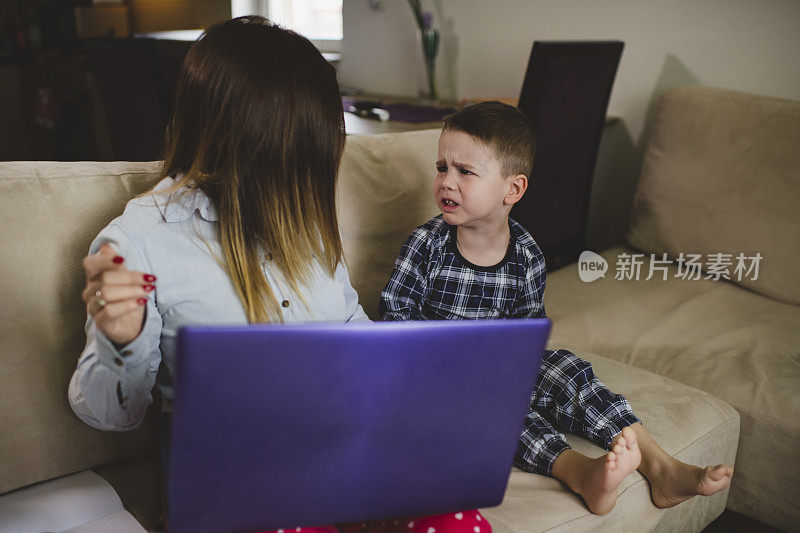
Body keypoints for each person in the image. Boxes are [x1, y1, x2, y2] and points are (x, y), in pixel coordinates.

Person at [68, 16, 490, 533]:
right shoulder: (138, 242)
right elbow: (110, 415)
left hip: (334, 454)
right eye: (303, 150)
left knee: (452, 505)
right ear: (251, 141)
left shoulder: (302, 220)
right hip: (229, 483)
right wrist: (123, 339)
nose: (313, 170)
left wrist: (410, 383)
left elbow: (350, 327)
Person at [378, 101, 734, 515]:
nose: (446, 182)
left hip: (499, 364)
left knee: (564, 367)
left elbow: (527, 332)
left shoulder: (526, 254)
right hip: (435, 373)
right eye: (442, 167)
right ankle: (579, 472)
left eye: (465, 172)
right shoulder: (426, 245)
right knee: (490, 409)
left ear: (512, 189)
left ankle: (661, 465)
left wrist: (514, 366)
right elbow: (394, 320)